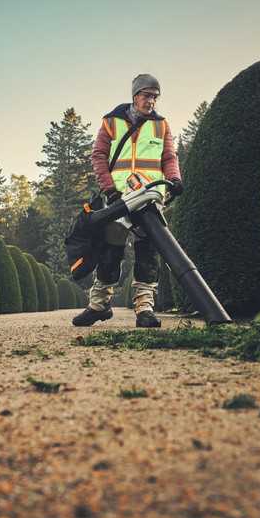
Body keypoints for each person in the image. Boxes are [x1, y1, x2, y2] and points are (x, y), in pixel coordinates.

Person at [73, 74, 184, 328]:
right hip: (119, 198)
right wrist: (109, 189)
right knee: (110, 251)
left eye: (155, 97)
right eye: (147, 96)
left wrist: (174, 179)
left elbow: (169, 157)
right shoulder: (111, 122)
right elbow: (99, 156)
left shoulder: (162, 125)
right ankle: (99, 305)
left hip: (150, 197)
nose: (151, 102)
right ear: (135, 96)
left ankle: (145, 308)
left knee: (148, 252)